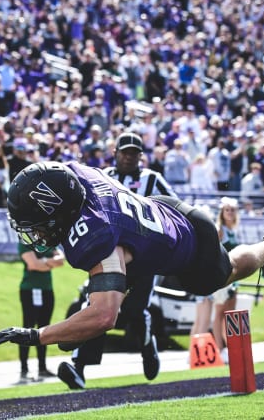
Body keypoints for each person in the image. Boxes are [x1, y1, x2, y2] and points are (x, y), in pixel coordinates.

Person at [0, 161, 264, 379]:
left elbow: (104, 316)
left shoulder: (96, 235)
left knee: (226, 271)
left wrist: (35, 335)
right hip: (161, 214)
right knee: (95, 310)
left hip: (191, 243)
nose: (36, 234)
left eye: (38, 225)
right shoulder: (73, 174)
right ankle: (129, 342)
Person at [57, 132, 177, 389]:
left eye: (134, 153)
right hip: (111, 253)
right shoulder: (101, 177)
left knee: (134, 311)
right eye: (125, 152)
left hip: (145, 255)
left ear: (140, 156)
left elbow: (174, 206)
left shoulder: (152, 179)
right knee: (96, 307)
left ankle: (146, 343)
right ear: (116, 153)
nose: (129, 157)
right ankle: (79, 366)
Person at [16, 242, 65, 383]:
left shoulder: (46, 243)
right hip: (30, 290)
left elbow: (61, 260)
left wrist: (43, 262)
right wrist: (50, 263)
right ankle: (24, 369)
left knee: (44, 329)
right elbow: (33, 265)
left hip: (47, 290)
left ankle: (42, 368)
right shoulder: (24, 244)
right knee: (28, 327)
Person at [211, 197, 241, 364]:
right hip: (223, 276)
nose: (229, 213)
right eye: (227, 210)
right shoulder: (220, 229)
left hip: (233, 276)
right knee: (220, 312)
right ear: (222, 212)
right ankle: (219, 348)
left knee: (231, 312)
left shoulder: (232, 230)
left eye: (232, 210)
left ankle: (229, 346)